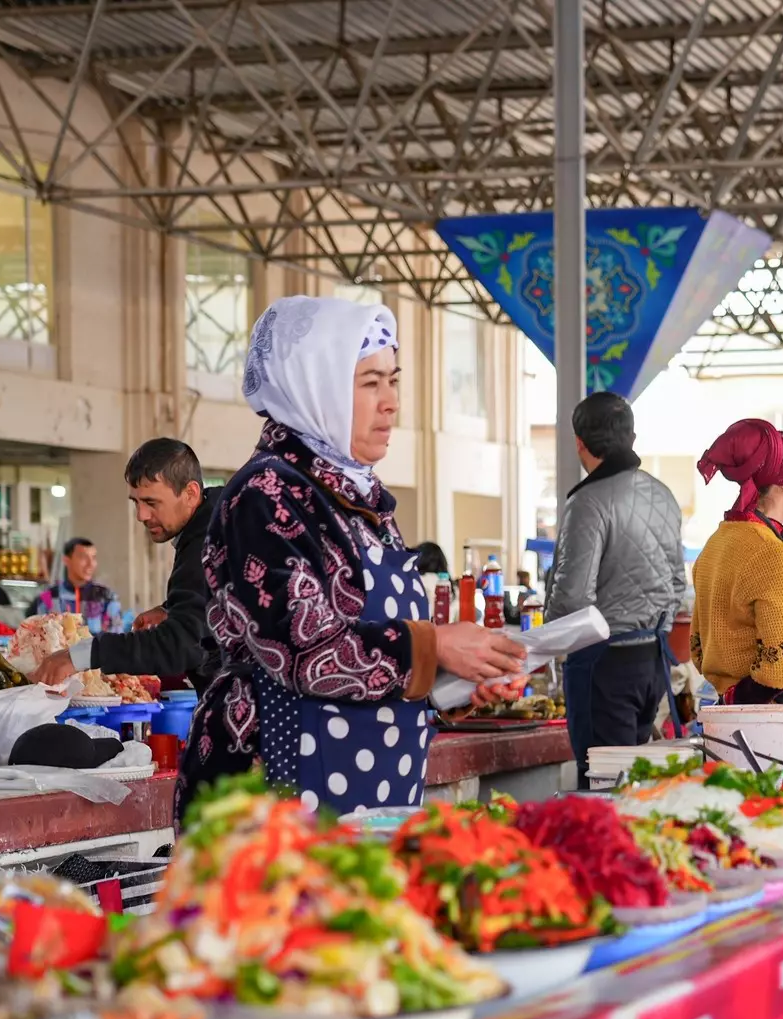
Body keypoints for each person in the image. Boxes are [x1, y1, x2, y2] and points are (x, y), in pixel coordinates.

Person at [176, 296, 525, 821]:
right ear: (317, 387)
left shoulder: (356, 496)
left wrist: (456, 679)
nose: (391, 402)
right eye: (369, 383)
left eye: (393, 380)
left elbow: (377, 649)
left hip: (367, 792)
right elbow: (304, 650)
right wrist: (434, 646)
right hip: (281, 784)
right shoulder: (266, 494)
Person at [544, 390, 688, 786]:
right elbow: (678, 584)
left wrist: (541, 643)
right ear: (631, 438)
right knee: (634, 787)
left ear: (579, 443)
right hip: (651, 664)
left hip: (603, 665)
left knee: (603, 787)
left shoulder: (588, 502)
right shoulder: (663, 495)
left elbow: (572, 600)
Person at [32, 438, 222, 692]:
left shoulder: (208, 540)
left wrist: (79, 656)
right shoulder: (219, 524)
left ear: (191, 493)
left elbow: (181, 646)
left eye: (152, 503)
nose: (141, 515)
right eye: (136, 502)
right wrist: (173, 610)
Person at [691, 418, 783, 738]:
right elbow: (782, 669)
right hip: (777, 732)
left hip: (732, 725)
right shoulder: (770, 557)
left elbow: (698, 648)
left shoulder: (715, 545)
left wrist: (728, 699)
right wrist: (740, 701)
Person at [35, 537, 120, 632]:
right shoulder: (48, 597)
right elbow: (40, 637)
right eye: (84, 557)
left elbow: (116, 637)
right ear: (67, 560)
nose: (91, 564)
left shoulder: (107, 597)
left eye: (93, 557)